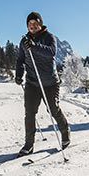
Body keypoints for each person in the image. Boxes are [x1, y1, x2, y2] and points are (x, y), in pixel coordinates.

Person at [15, 11, 70, 156]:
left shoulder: (49, 37)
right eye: (29, 24)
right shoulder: (24, 41)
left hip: (50, 82)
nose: (32, 26)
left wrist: (34, 46)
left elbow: (51, 52)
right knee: (29, 113)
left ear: (40, 24)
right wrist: (19, 74)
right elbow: (20, 59)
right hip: (32, 82)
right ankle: (29, 144)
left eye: (35, 23)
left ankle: (65, 131)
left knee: (53, 109)